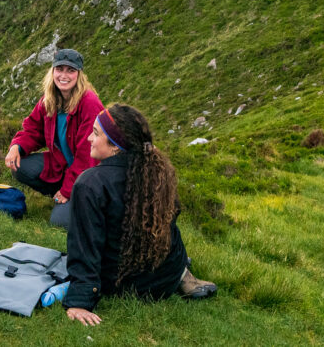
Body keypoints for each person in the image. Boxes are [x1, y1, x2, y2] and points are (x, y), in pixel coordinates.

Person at [64, 104, 217, 326]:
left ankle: (181, 272)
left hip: (124, 285)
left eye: (96, 134)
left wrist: (80, 299)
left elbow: (86, 245)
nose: (89, 138)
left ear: (116, 146)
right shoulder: (158, 171)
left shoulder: (90, 183)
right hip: (165, 278)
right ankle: (183, 273)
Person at [3, 48, 102, 230]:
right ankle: (61, 196)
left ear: (79, 75)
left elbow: (87, 158)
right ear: (53, 71)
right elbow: (33, 129)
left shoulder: (89, 103)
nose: (64, 75)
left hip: (89, 176)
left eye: (70, 70)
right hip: (63, 166)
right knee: (20, 167)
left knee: (59, 223)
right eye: (60, 69)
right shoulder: (49, 100)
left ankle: (75, 199)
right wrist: (17, 146)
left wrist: (67, 190)